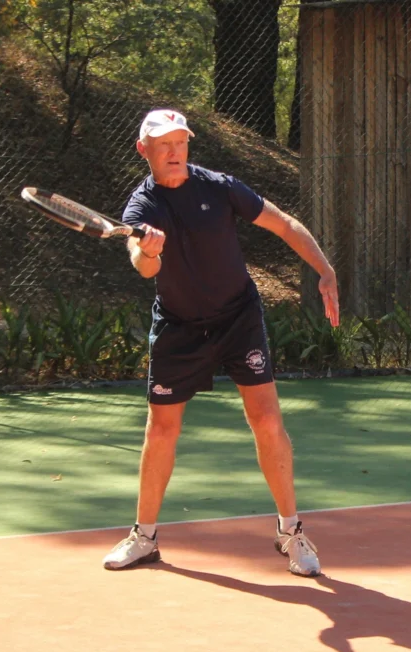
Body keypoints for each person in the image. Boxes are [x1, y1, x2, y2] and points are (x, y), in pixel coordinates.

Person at [102, 109, 340, 577]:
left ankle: (290, 532)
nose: (174, 152)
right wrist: (149, 251)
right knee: (161, 431)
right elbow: (143, 266)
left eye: (180, 142)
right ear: (143, 149)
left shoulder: (221, 186)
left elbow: (285, 224)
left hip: (237, 318)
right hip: (178, 326)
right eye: (163, 144)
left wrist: (325, 270)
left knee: (267, 419)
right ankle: (144, 537)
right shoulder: (141, 207)